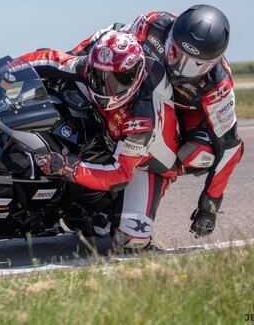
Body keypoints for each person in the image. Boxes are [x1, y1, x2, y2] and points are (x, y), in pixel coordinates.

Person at [68, 4, 244, 238]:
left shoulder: (219, 87)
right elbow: (111, 38)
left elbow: (230, 148)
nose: (177, 65)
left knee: (202, 152)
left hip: (178, 118)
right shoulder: (152, 24)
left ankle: (149, 173)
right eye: (174, 51)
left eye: (193, 63)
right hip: (133, 95)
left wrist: (209, 206)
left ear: (212, 62)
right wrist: (75, 59)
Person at [19, 31, 179, 250]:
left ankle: (99, 211)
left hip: (144, 165)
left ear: (136, 76)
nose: (106, 86)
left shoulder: (143, 115)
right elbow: (48, 59)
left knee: (130, 242)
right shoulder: (90, 66)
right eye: (100, 76)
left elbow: (119, 173)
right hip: (109, 135)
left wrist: (66, 167)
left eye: (118, 80)